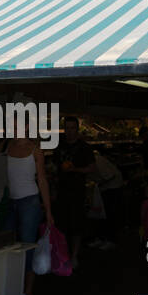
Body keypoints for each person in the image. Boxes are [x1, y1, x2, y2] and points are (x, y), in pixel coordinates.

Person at [5, 131, 53, 295]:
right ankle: (12, 290)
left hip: (30, 202)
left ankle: (28, 294)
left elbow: (42, 180)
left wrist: (48, 211)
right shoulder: (7, 146)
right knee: (8, 246)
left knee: (28, 247)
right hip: (12, 201)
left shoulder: (35, 150)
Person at [53, 115, 96, 268]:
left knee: (76, 226)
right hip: (62, 192)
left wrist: (75, 169)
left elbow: (92, 168)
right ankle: (63, 255)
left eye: (73, 128)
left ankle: (74, 256)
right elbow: (55, 167)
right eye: (67, 128)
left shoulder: (84, 148)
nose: (70, 131)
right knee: (62, 225)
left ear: (77, 130)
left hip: (77, 192)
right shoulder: (59, 146)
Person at [91, 149, 125, 248]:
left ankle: (111, 240)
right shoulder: (93, 161)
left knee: (110, 213)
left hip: (113, 188)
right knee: (102, 213)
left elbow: (111, 176)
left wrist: (99, 184)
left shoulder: (97, 161)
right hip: (104, 188)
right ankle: (102, 238)